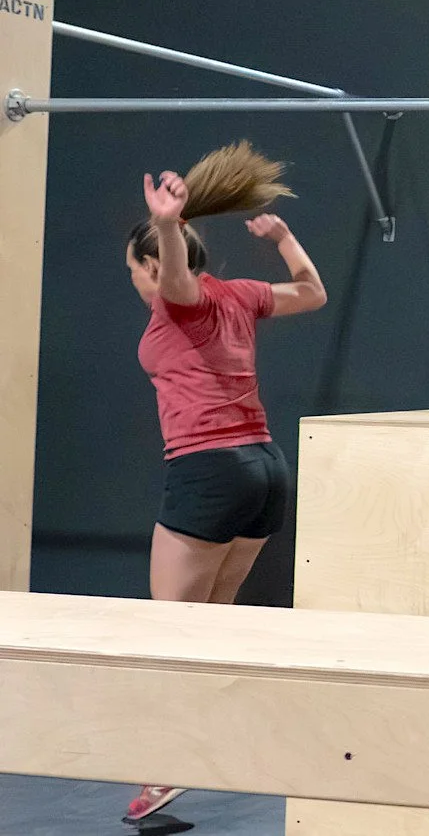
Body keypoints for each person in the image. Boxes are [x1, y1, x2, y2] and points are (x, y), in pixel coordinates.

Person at [122, 140, 328, 824]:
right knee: (212, 625)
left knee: (171, 631)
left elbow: (177, 280)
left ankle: (162, 770)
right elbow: (312, 291)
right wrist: (284, 236)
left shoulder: (179, 299)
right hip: (264, 470)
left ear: (151, 262)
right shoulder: (237, 294)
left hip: (210, 469)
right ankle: (213, 749)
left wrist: (168, 224)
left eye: (134, 266)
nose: (135, 278)